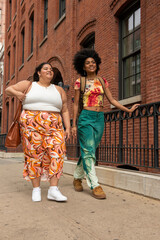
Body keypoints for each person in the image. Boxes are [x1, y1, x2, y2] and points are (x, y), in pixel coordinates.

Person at [72, 49, 139, 199]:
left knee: (90, 149)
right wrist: (74, 124)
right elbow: (76, 104)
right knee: (89, 150)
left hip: (99, 118)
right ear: (83, 66)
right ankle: (95, 184)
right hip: (85, 118)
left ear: (97, 64)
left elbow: (112, 100)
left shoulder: (102, 81)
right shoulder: (80, 82)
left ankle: (77, 177)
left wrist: (127, 110)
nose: (91, 64)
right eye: (87, 63)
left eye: (93, 62)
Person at [5, 62, 70, 202]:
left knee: (57, 154)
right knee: (34, 156)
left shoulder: (59, 90)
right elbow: (8, 89)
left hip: (55, 126)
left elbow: (64, 110)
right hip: (31, 126)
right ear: (39, 72)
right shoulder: (29, 85)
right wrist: (17, 94)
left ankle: (53, 190)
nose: (49, 71)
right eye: (46, 68)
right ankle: (36, 189)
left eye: (51, 69)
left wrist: (68, 127)